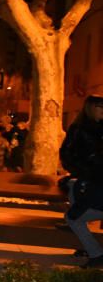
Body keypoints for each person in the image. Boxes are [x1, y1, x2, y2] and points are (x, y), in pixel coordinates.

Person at [61, 93, 103, 268]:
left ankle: (95, 252)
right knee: (76, 215)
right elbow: (66, 154)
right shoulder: (79, 129)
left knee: (74, 217)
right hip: (89, 181)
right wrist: (82, 171)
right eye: (101, 107)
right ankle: (92, 251)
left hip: (95, 184)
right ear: (91, 108)